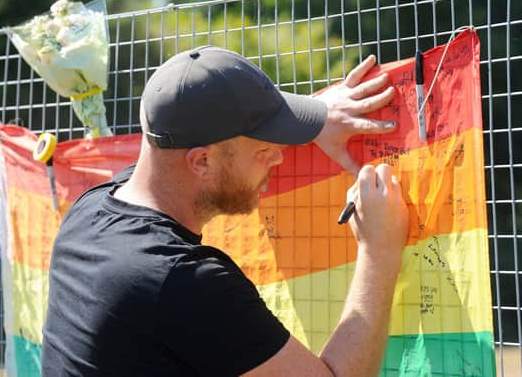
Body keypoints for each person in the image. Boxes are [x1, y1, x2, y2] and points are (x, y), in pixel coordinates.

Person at [42, 46, 409, 376]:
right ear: (202, 161)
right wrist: (379, 251)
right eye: (263, 151)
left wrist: (311, 122)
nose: (280, 156)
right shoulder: (184, 281)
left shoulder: (88, 211)